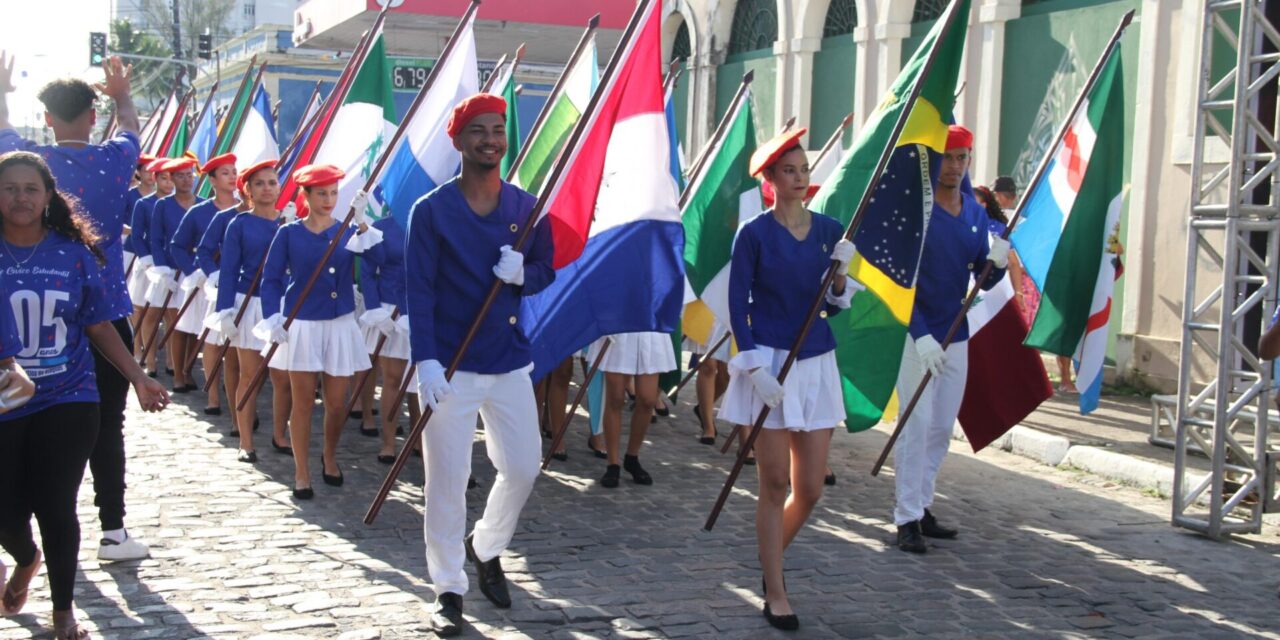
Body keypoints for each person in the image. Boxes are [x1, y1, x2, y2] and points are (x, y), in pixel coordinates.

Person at [0, 151, 169, 640]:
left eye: (31, 189)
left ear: (49, 196)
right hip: (5, 401)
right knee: (7, 511)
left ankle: (63, 613)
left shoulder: (74, 252)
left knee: (56, 504)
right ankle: (26, 558)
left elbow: (98, 323)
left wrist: (139, 377)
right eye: (10, 188)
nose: (21, 198)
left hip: (68, 396)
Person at [406, 94, 554, 636]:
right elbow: (418, 291)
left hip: (508, 359)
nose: (490, 138)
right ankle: (447, 587)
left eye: (498, 129)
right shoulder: (431, 211)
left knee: (523, 466)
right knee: (447, 480)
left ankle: (486, 544)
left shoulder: (526, 208)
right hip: (449, 366)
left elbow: (545, 268)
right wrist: (425, 362)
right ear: (459, 140)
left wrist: (524, 275)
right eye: (478, 130)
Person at [0, 51, 156, 563]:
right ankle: (113, 530)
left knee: (22, 425)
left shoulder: (29, 162)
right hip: (105, 306)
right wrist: (122, 95)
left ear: (46, 118)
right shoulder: (114, 160)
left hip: (30, 311)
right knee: (106, 424)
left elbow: (1, 130)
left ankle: (28, 535)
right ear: (93, 116)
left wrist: (3, 92)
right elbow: (131, 124)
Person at [717, 128, 860, 631]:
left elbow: (835, 305)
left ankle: (767, 556)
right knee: (774, 482)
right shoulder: (753, 233)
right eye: (790, 171)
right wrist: (754, 368)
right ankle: (776, 590)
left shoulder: (830, 230)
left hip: (816, 361)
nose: (801, 178)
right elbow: (738, 304)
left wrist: (841, 276)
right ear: (771, 179)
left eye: (804, 169)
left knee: (812, 487)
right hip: (769, 364)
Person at [893, 126, 1009, 554]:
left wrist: (995, 262)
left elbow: (981, 272)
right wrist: (920, 334)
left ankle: (923, 505)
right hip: (917, 334)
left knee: (941, 426)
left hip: (955, 330)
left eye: (963, 157)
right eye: (948, 156)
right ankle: (905, 518)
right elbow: (898, 282)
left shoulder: (975, 212)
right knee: (915, 424)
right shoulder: (916, 212)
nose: (956, 165)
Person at [255, 163, 379, 498]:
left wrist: (362, 220)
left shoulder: (346, 231)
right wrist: (272, 318)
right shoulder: (289, 233)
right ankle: (301, 472)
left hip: (339, 324)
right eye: (321, 193)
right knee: (304, 402)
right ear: (306, 196)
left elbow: (376, 258)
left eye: (333, 193)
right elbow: (272, 280)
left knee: (337, 404)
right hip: (304, 323)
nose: (329, 199)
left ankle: (329, 455)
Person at [210, 160, 291, 463]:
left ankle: (280, 434)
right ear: (248, 190)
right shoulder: (239, 224)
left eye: (272, 182)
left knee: (283, 378)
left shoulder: (290, 222)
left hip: (281, 305)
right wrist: (225, 311)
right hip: (250, 302)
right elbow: (229, 271)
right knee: (250, 376)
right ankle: (245, 441)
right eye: (259, 183)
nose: (267, 188)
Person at [170, 153, 238, 414]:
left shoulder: (245, 208)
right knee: (208, 337)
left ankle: (232, 390)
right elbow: (179, 246)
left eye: (234, 171)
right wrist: (195, 272)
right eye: (225, 173)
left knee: (234, 341)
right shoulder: (199, 212)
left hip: (236, 284)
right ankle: (211, 394)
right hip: (208, 283)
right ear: (211, 180)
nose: (232, 177)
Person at [358, 213, 419, 463]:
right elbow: (368, 271)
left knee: (419, 382)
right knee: (393, 379)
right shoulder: (382, 227)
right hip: (388, 310)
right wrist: (374, 308)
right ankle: (389, 442)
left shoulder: (434, 222)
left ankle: (420, 440)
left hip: (420, 309)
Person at [587, 328, 673, 487]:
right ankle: (613, 464)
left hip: (649, 327)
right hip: (621, 326)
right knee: (615, 399)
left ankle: (632, 457)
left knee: (648, 400)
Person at [146, 156, 199, 392]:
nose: (186, 180)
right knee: (177, 324)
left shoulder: (203, 204)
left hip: (196, 272)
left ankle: (189, 369)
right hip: (172, 271)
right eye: (180, 175)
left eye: (189, 175)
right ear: (172, 179)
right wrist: (162, 270)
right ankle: (178, 373)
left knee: (195, 326)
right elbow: (156, 240)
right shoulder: (163, 205)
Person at [128, 158, 173, 363]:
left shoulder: (178, 203)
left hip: (170, 265)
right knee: (142, 311)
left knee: (170, 314)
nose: (169, 183)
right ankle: (141, 352)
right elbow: (137, 236)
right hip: (148, 264)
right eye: (164, 178)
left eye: (171, 178)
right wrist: (147, 261)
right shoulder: (143, 203)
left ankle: (172, 362)